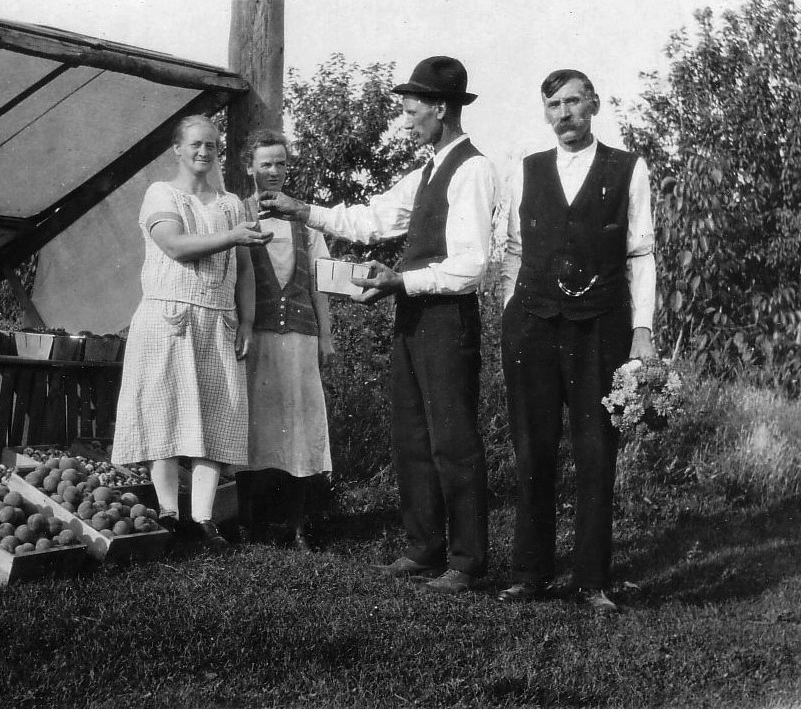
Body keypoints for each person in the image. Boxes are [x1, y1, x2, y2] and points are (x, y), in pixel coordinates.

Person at [259, 57, 498, 593]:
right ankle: (424, 548)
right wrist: (301, 209)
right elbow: (370, 221)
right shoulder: (426, 172)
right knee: (412, 434)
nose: (406, 121)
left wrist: (400, 280)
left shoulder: (474, 171)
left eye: (412, 111)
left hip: (448, 319)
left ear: (442, 108)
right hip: (414, 315)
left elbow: (471, 266)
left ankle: (467, 563)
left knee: (453, 440)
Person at [497, 69, 657, 613]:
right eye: (553, 105)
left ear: (593, 104)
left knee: (596, 450)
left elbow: (641, 253)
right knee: (532, 447)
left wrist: (642, 330)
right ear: (545, 112)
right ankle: (531, 573)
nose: (563, 114)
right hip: (533, 324)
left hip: (600, 326)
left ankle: (592, 580)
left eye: (572, 102)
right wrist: (511, 314)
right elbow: (513, 250)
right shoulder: (526, 168)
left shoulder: (628, 168)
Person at [111, 114, 272, 550]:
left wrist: (247, 321)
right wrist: (234, 236)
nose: (204, 152)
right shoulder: (161, 194)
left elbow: (245, 271)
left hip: (219, 320)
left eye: (212, 145)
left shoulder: (231, 205)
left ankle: (203, 519)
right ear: (177, 149)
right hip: (170, 318)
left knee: (217, 415)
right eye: (196, 144)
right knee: (163, 412)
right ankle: (168, 512)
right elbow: (175, 246)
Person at [235, 129, 335, 552]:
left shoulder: (304, 220)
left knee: (298, 425)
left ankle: (297, 527)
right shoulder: (236, 213)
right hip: (255, 337)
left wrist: (326, 336)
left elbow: (320, 283)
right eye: (265, 164)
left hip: (298, 338)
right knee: (252, 426)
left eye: (280, 163)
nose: (273, 171)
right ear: (250, 168)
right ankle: (248, 523)